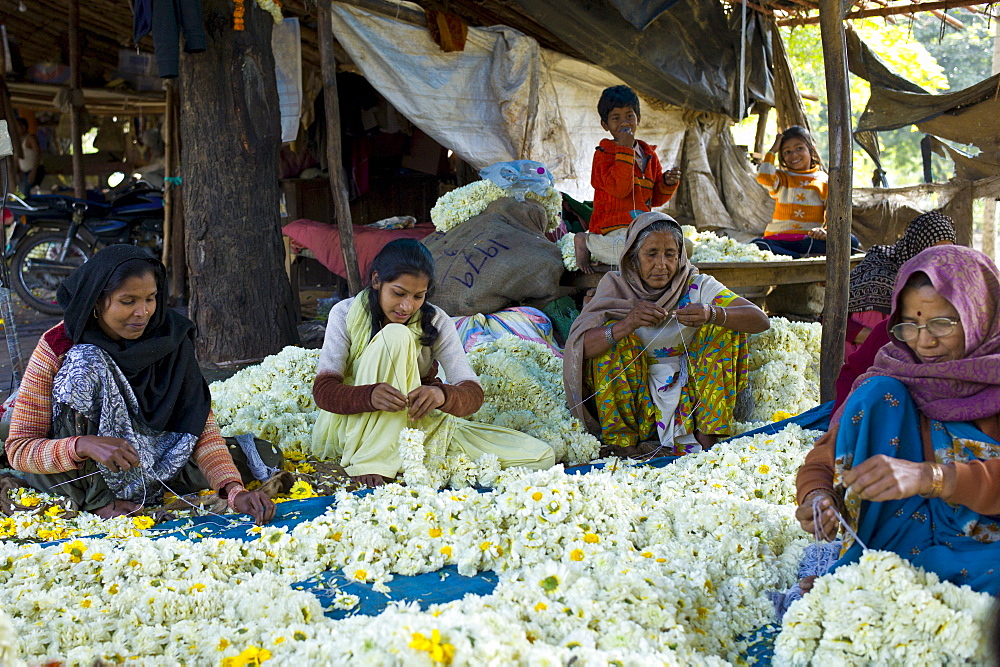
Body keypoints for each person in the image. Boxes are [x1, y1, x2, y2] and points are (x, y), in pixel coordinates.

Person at [4, 245, 275, 525]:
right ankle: (99, 501)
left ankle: (142, 490)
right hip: (84, 474)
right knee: (85, 360)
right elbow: (20, 449)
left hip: (154, 464)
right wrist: (83, 445)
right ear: (97, 302)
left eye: (150, 298)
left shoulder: (171, 339)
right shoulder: (58, 345)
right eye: (128, 301)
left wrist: (233, 492)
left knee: (264, 456)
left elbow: (199, 427)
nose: (142, 312)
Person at [796, 245, 1000, 595]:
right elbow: (827, 453)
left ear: (978, 315)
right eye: (911, 325)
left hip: (986, 541)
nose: (924, 342)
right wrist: (817, 496)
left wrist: (932, 477)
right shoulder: (898, 366)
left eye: (941, 324)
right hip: (903, 537)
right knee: (877, 393)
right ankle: (874, 563)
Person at [310, 239, 555, 487]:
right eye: (398, 293)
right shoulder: (345, 312)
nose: (407, 306)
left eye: (418, 296)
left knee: (539, 456)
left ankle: (398, 458)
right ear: (376, 281)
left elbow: (473, 393)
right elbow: (323, 391)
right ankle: (373, 461)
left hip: (413, 431)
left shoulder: (436, 320)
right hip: (356, 432)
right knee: (396, 335)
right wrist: (369, 396)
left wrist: (440, 395)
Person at [564, 212, 770, 458]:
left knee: (723, 328)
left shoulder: (696, 284)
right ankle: (625, 446)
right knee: (616, 342)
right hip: (637, 406)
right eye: (651, 254)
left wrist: (711, 313)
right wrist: (626, 324)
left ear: (680, 255)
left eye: (670, 254)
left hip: (690, 403)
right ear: (633, 258)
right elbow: (579, 350)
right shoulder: (616, 288)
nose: (662, 265)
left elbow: (760, 320)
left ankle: (707, 438)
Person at [573, 85, 681, 273]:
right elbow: (620, 189)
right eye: (616, 118)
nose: (624, 123)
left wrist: (667, 183)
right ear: (605, 125)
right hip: (612, 232)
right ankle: (587, 241)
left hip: (643, 230)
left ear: (638, 118)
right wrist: (625, 149)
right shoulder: (603, 154)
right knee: (637, 254)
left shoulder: (649, 155)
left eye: (629, 116)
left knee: (682, 248)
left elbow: (655, 200)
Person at [845, 211, 955, 356]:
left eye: (947, 252)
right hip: (867, 358)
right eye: (934, 250)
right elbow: (836, 321)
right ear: (917, 247)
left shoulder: (936, 279)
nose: (940, 259)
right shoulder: (880, 276)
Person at [753, 126, 859, 259]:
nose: (794, 155)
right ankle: (798, 257)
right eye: (787, 152)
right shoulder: (781, 178)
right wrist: (773, 150)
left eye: (799, 148)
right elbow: (764, 176)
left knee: (851, 242)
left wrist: (825, 232)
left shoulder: (824, 180)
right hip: (779, 239)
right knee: (757, 244)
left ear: (811, 149)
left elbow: (834, 214)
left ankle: (793, 256)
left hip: (807, 240)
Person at [17, 118, 44, 195]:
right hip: (25, 173)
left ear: (23, 127)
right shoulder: (18, 140)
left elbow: (37, 154)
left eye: (17, 126)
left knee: (30, 195)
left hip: (34, 171)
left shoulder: (31, 138)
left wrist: (33, 172)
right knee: (25, 194)